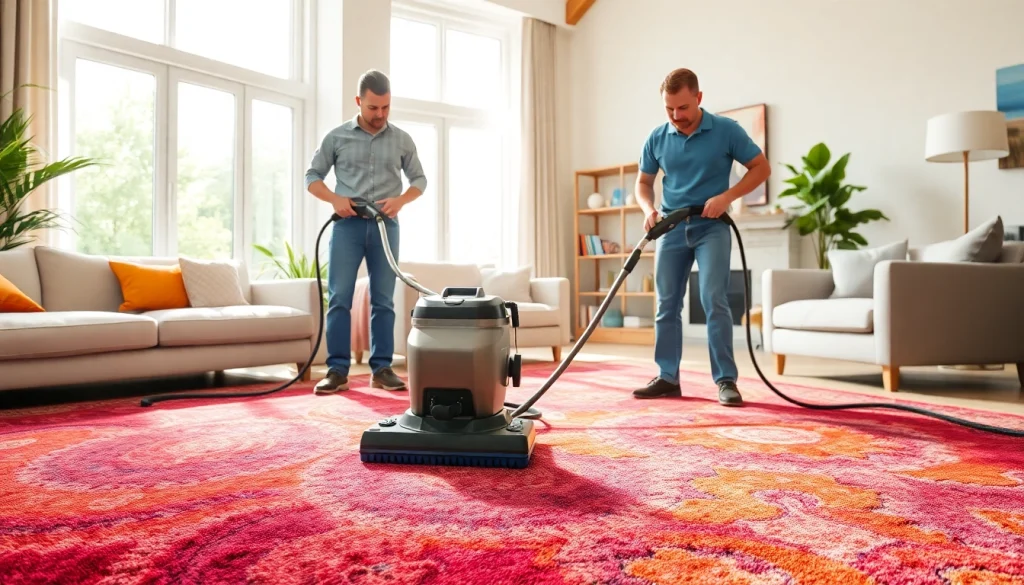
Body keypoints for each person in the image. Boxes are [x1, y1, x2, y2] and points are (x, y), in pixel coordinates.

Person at [632, 68, 770, 406]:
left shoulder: (726, 130)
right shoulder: (657, 137)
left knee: (714, 299)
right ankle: (667, 377)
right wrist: (648, 209)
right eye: (669, 109)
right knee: (666, 303)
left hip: (712, 227)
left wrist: (727, 197)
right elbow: (643, 183)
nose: (676, 116)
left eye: (683, 107)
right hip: (671, 228)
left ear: (699, 98)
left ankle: (725, 380)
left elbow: (761, 168)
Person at [305, 69, 427, 395]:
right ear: (358, 101)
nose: (380, 114)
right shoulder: (336, 138)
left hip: (386, 227)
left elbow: (419, 180)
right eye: (373, 108)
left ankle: (382, 369)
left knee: (383, 300)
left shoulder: (402, 139)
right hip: (347, 226)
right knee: (339, 298)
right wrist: (335, 199)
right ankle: (337, 370)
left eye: (386, 107)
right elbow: (312, 177)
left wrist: (401, 200)